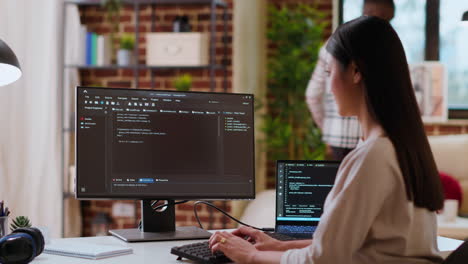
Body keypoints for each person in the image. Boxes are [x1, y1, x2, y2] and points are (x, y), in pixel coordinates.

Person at [209, 16, 445, 264]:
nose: (329, 87)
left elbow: (323, 260)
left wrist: (251, 255)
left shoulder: (373, 156)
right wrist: (278, 246)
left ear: (355, 71)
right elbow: (345, 246)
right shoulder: (400, 146)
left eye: (329, 71)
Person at [306, 0, 395, 160]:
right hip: (374, 139)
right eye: (386, 22)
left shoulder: (331, 45)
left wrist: (327, 128)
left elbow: (312, 95)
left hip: (338, 139)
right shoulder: (385, 49)